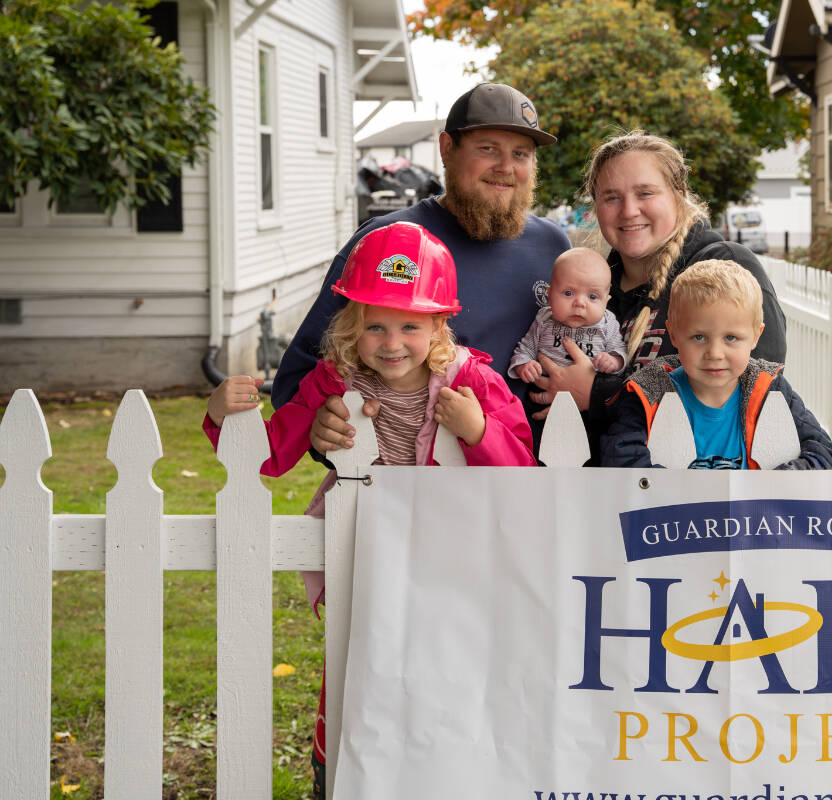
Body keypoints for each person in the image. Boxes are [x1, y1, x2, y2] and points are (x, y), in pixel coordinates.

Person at [203, 221, 537, 797]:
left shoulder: (472, 380)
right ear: (351, 325)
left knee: (450, 669)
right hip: (364, 550)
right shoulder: (332, 380)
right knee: (357, 666)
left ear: (439, 324)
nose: (391, 342)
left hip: (456, 560)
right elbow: (270, 457)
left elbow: (523, 478)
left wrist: (478, 430)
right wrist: (223, 416)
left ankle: (449, 773)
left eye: (411, 325)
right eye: (374, 326)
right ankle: (333, 771)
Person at [272, 83, 571, 455]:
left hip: (535, 475)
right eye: (487, 149)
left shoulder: (554, 248)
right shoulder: (386, 242)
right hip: (403, 484)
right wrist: (325, 424)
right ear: (447, 149)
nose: (506, 168)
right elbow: (299, 381)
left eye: (521, 154)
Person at [529, 131, 788, 449]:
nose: (628, 210)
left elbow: (751, 393)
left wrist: (597, 394)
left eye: (645, 193)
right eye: (611, 197)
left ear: (678, 194)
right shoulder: (593, 290)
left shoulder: (723, 268)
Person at [600, 259, 832, 470]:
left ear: (756, 336)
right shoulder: (648, 392)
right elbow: (620, 457)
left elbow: (823, 451)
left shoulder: (769, 389)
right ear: (673, 334)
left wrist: (778, 482)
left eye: (731, 338)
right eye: (699, 337)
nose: (714, 353)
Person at [508, 247, 626, 382]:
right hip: (545, 391)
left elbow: (619, 350)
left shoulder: (607, 322)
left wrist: (614, 362)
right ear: (549, 295)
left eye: (592, 296)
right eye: (568, 293)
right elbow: (526, 349)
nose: (580, 303)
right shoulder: (544, 318)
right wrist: (524, 366)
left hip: (592, 394)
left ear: (606, 302)